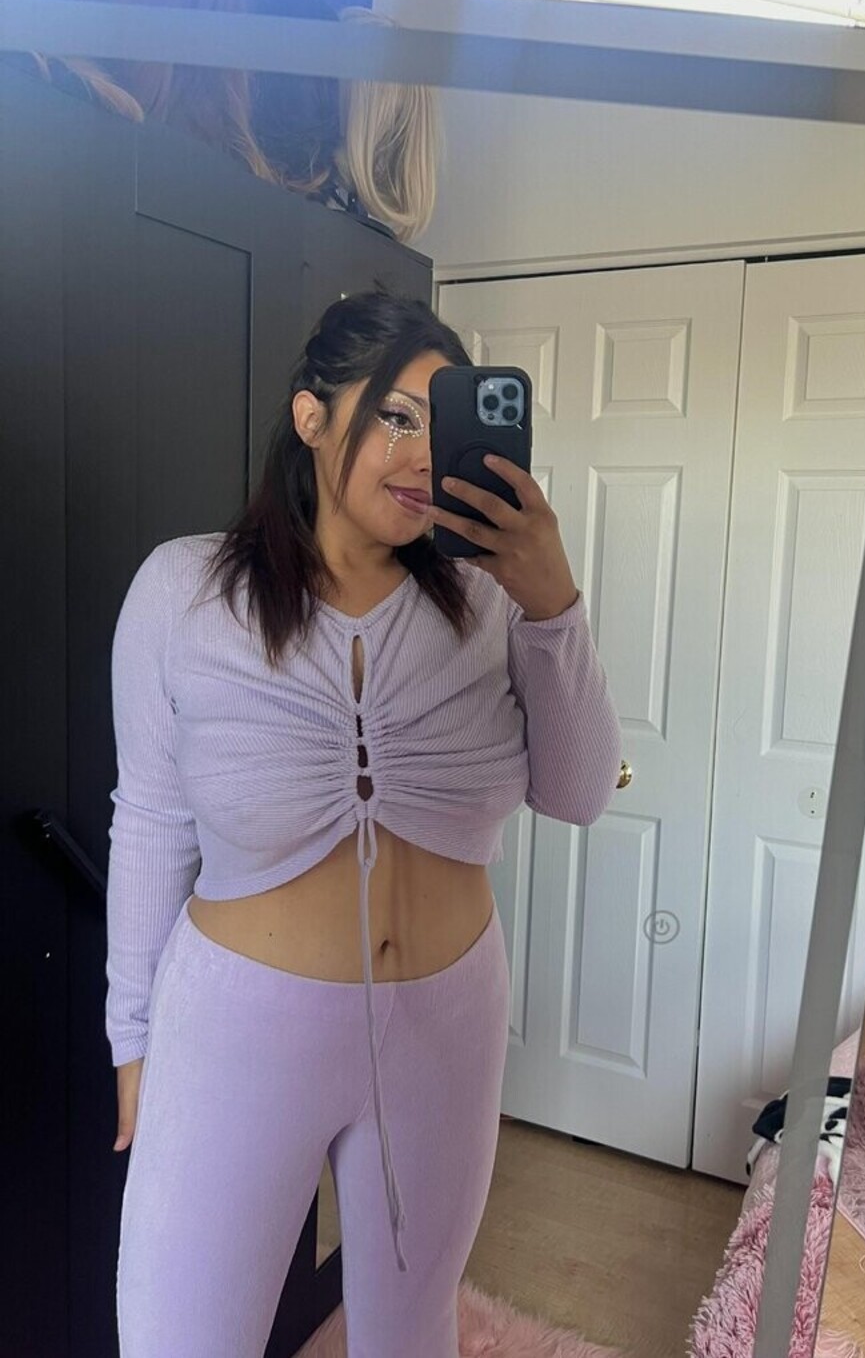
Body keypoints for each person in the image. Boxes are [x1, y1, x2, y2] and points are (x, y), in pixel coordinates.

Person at [106, 289, 622, 1358]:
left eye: (445, 421)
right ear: (311, 414)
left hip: (448, 1023)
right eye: (396, 415)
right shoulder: (184, 591)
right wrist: (134, 1043)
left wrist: (552, 600)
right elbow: (148, 821)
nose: (424, 453)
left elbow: (577, 792)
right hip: (239, 1029)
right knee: (178, 1335)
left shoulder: (487, 602)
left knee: (408, 1330)